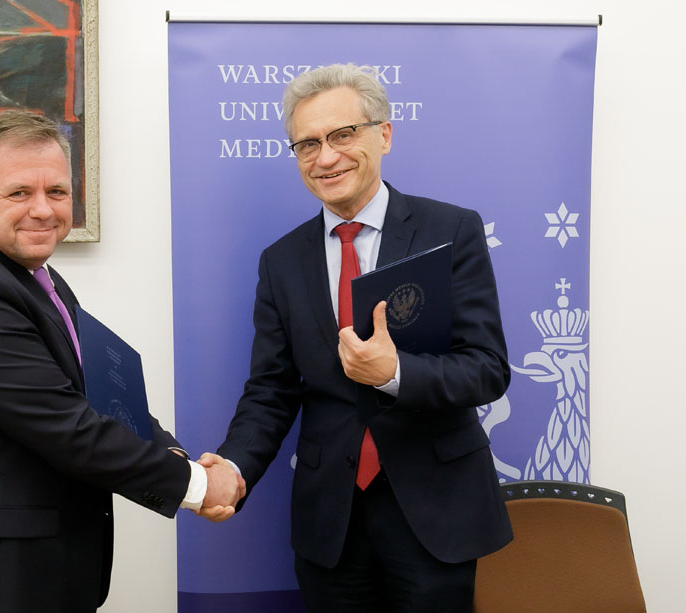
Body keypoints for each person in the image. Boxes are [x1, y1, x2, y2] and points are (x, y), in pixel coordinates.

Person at [0, 109, 243, 613]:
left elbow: (102, 399)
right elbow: (69, 428)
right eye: (19, 192)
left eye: (56, 191)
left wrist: (173, 453)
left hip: (31, 575)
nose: (43, 210)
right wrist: (197, 485)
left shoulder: (32, 278)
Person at [199, 64, 513, 611]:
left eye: (343, 135)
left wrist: (394, 375)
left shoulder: (451, 230)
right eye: (308, 143)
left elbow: (486, 368)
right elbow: (270, 390)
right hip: (331, 522)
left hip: (435, 513)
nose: (326, 157)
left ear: (384, 134)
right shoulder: (281, 262)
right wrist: (233, 465)